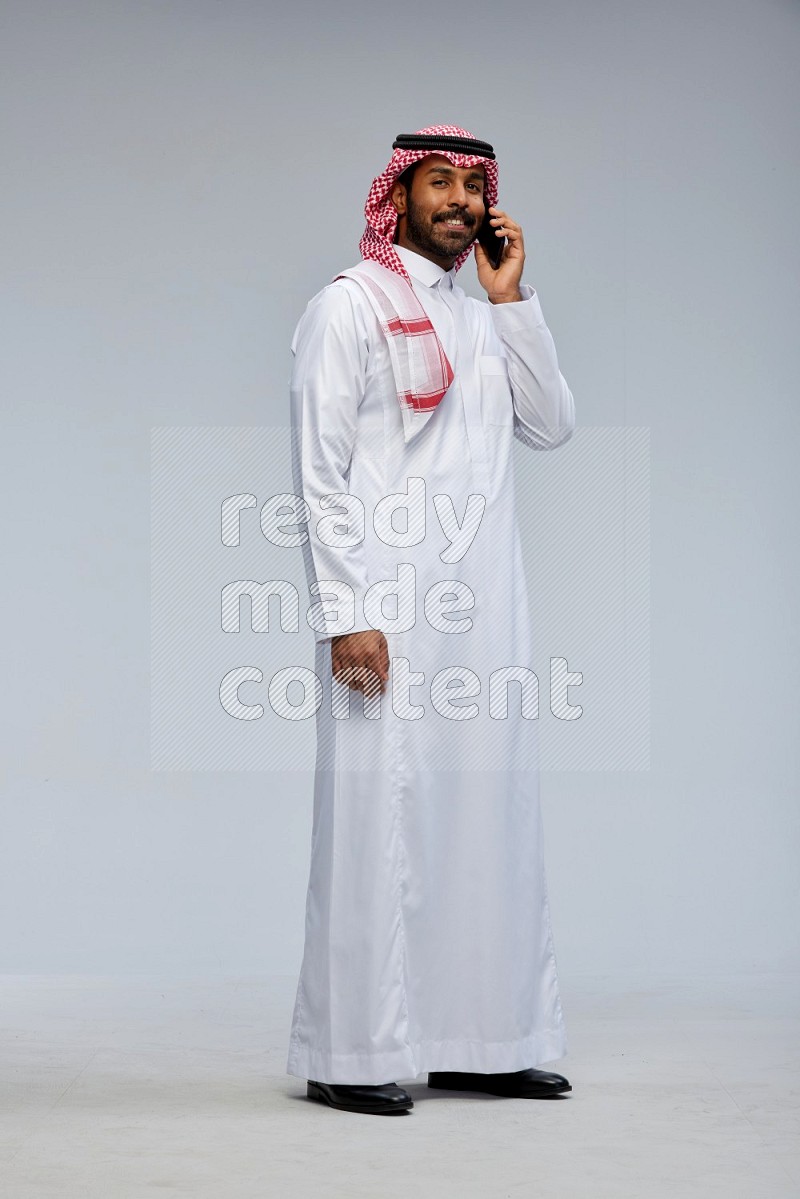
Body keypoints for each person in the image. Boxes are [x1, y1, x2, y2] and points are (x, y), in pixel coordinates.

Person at [287, 125, 576, 1115]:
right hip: (386, 610)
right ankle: (351, 1052)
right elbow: (318, 475)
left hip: (484, 611)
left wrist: (511, 302)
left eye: (471, 186)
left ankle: (483, 1039)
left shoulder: (481, 316)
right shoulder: (348, 305)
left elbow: (551, 422)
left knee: (486, 816)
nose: (455, 200)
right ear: (397, 196)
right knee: (376, 823)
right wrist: (344, 612)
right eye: (437, 182)